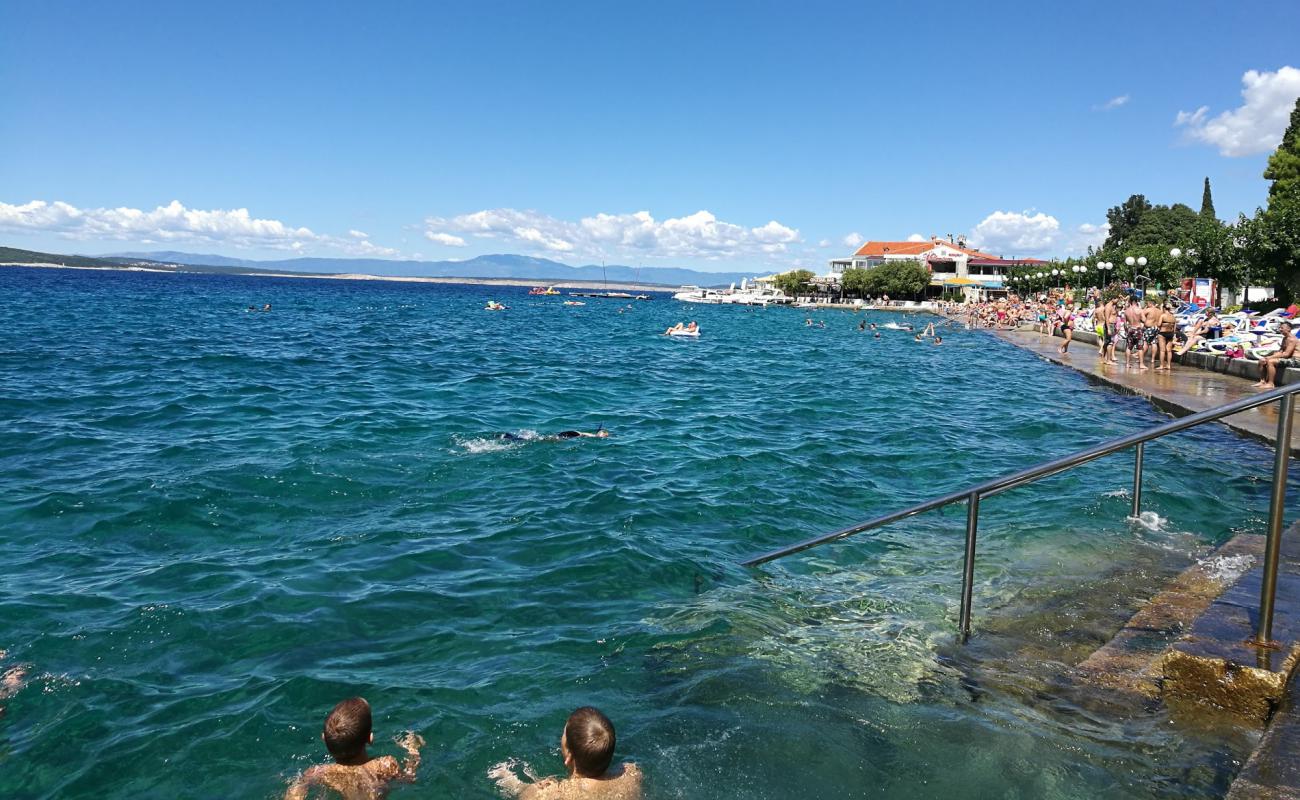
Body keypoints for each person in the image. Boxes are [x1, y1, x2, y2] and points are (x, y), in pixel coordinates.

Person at [284, 698, 423, 800]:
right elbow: (409, 779)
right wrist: (413, 751)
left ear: (324, 739)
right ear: (370, 739)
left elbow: (295, 793)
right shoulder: (385, 765)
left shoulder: (318, 772)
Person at [489, 707, 642, 799]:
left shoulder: (551, 793)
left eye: (563, 735)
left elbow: (523, 796)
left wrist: (510, 780)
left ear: (569, 756)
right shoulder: (631, 774)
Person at [1256, 321, 1298, 389]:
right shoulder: (1285, 338)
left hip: (1296, 360)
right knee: (1262, 360)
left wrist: (1270, 357)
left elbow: (1286, 354)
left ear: (1289, 329)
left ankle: (1271, 383)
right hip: (1289, 358)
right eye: (1280, 328)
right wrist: (1269, 356)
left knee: (1271, 361)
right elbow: (1281, 351)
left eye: (1282, 328)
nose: (1280, 329)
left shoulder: (1292, 339)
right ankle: (1262, 381)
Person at [1124, 298, 1146, 370]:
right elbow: (1144, 320)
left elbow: (1125, 323)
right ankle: (1141, 364)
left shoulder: (1126, 311)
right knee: (1140, 347)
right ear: (1137, 301)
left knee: (1129, 347)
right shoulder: (1139, 310)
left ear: (1130, 302)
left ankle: (1127, 364)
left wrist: (1126, 330)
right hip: (1138, 329)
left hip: (1130, 329)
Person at [1157, 303, 1178, 371]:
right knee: (1169, 350)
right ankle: (1168, 365)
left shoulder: (1162, 316)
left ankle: (1161, 365)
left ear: (1164, 308)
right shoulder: (1173, 317)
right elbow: (1174, 328)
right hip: (1170, 333)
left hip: (1163, 333)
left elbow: (1159, 324)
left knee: (1162, 350)